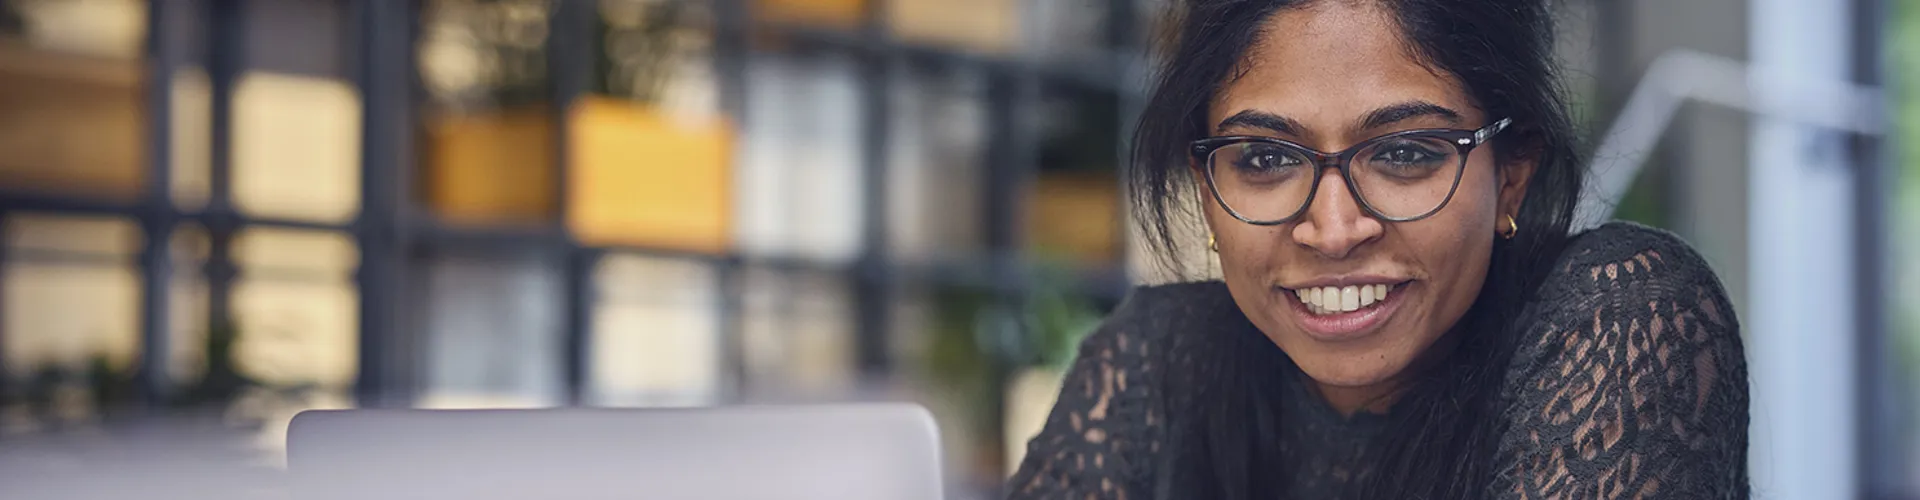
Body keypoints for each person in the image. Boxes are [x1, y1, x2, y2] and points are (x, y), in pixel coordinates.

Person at [1007, 0, 1749, 498]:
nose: (1333, 230)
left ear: (1512, 176)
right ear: (1206, 189)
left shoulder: (1625, 317)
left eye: (1403, 153)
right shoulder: (1152, 358)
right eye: (1265, 159)